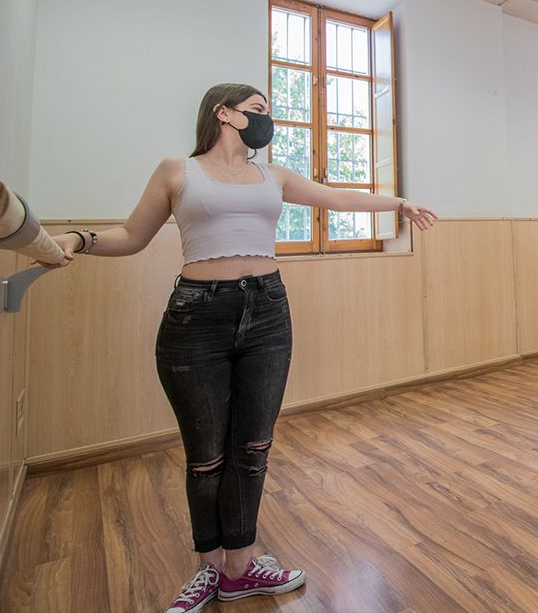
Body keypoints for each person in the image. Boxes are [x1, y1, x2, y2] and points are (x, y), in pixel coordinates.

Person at [41, 83, 438, 612]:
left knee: (252, 450)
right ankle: (209, 569)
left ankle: (240, 568)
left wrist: (400, 202)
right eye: (258, 111)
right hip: (196, 317)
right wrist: (78, 240)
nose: (267, 120)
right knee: (206, 457)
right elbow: (133, 235)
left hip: (268, 312)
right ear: (223, 113)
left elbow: (338, 196)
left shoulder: (272, 176)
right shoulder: (177, 171)